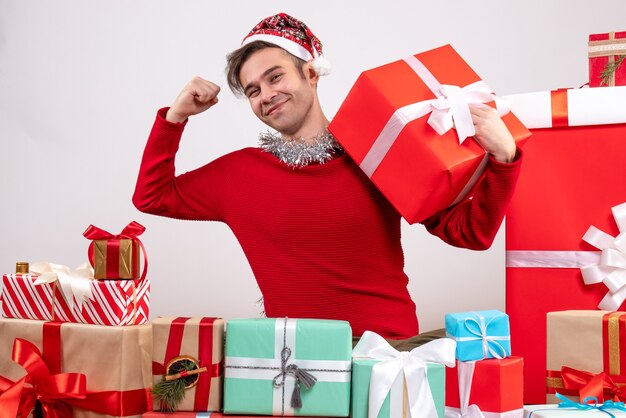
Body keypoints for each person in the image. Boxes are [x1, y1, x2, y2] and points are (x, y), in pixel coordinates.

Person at [133, 12, 522, 346]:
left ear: (311, 73)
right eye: (253, 90)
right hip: (294, 361)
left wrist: (504, 158)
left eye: (275, 77)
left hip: (387, 352)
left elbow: (470, 233)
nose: (266, 94)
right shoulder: (239, 174)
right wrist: (175, 117)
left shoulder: (377, 154)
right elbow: (152, 196)